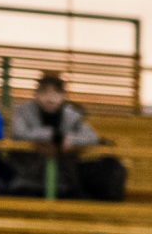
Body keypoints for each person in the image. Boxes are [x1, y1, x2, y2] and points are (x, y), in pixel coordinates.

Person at [9, 72, 125, 200]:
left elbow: (91, 136)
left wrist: (71, 140)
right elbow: (19, 133)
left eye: (56, 93)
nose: (50, 98)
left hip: (64, 183)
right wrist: (53, 136)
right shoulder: (23, 112)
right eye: (45, 93)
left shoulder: (72, 115)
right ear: (36, 95)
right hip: (27, 180)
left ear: (63, 96)